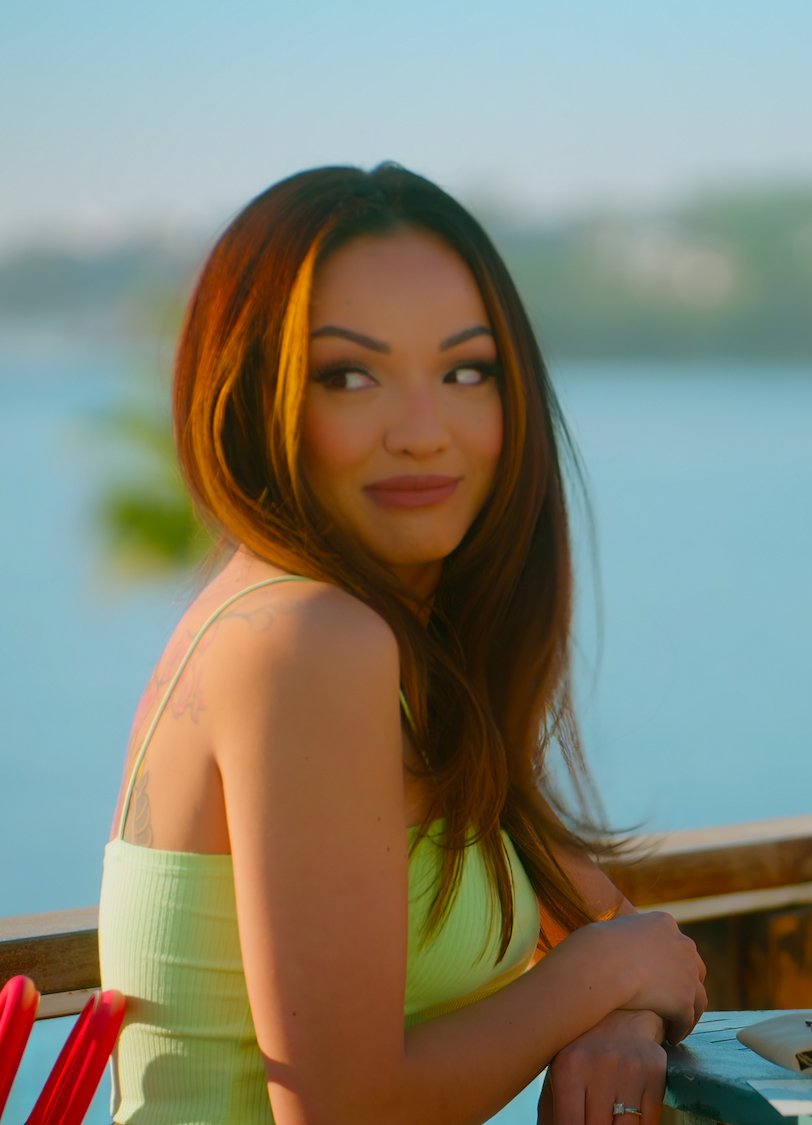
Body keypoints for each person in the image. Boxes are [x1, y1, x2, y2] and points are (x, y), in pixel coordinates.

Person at [97, 164, 705, 1124]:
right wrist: (594, 982)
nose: (424, 432)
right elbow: (344, 1111)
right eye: (349, 375)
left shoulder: (392, 652)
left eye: (467, 371)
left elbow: (640, 948)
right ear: (262, 396)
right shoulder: (307, 643)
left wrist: (620, 1016)